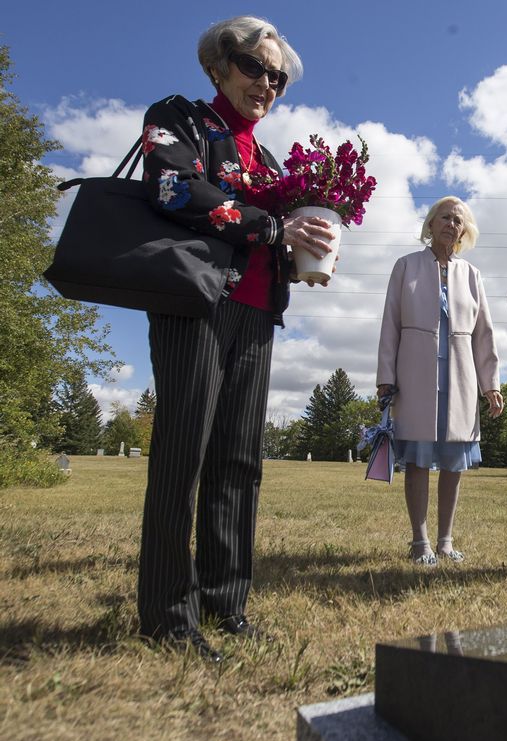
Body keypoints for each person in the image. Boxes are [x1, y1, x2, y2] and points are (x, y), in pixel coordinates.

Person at [137, 16, 336, 661]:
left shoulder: (271, 158)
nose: (267, 84)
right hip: (195, 305)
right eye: (255, 68)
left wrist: (302, 255)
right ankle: (167, 616)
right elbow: (172, 187)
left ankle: (228, 602)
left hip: (255, 315)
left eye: (277, 78)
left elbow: (276, 233)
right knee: (183, 456)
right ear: (218, 65)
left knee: (240, 464)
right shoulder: (182, 118)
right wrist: (273, 230)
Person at [377, 197, 504, 565]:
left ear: (465, 231)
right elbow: (390, 324)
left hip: (461, 376)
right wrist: (386, 377)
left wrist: (490, 383)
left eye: (458, 220)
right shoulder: (406, 266)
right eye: (445, 217)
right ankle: (420, 541)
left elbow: (484, 333)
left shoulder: (472, 275)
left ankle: (446, 540)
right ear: (430, 224)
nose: (451, 224)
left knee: (454, 462)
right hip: (414, 375)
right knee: (417, 460)